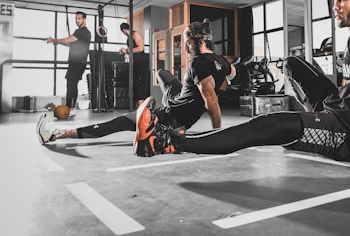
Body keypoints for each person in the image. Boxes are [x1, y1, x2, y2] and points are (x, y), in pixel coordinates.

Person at [133, 0, 350, 172]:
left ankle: (167, 142)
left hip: (345, 135)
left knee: (268, 125)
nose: (335, 5)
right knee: (292, 63)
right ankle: (312, 121)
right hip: (338, 110)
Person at [37, 19, 236, 144]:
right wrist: (223, 81)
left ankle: (56, 135)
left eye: (188, 43)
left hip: (168, 119)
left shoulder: (198, 65)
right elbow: (232, 73)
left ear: (200, 43)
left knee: (117, 123)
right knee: (163, 74)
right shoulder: (221, 62)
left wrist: (217, 135)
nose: (185, 47)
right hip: (179, 105)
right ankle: (168, 99)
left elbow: (211, 101)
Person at [46, 11, 91, 110]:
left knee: (71, 84)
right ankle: (70, 107)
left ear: (84, 19)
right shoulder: (85, 33)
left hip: (77, 62)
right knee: (72, 84)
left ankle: (69, 107)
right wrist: (57, 42)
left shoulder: (81, 32)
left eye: (79, 18)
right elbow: (69, 43)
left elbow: (67, 40)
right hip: (78, 63)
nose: (77, 20)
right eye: (76, 19)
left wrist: (53, 40)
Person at [119, 22, 149, 107]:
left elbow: (140, 48)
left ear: (124, 30)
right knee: (134, 84)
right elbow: (132, 51)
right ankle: (138, 106)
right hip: (135, 62)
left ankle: (141, 106)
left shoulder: (136, 34)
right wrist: (124, 51)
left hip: (142, 62)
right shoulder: (129, 38)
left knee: (138, 83)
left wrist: (127, 50)